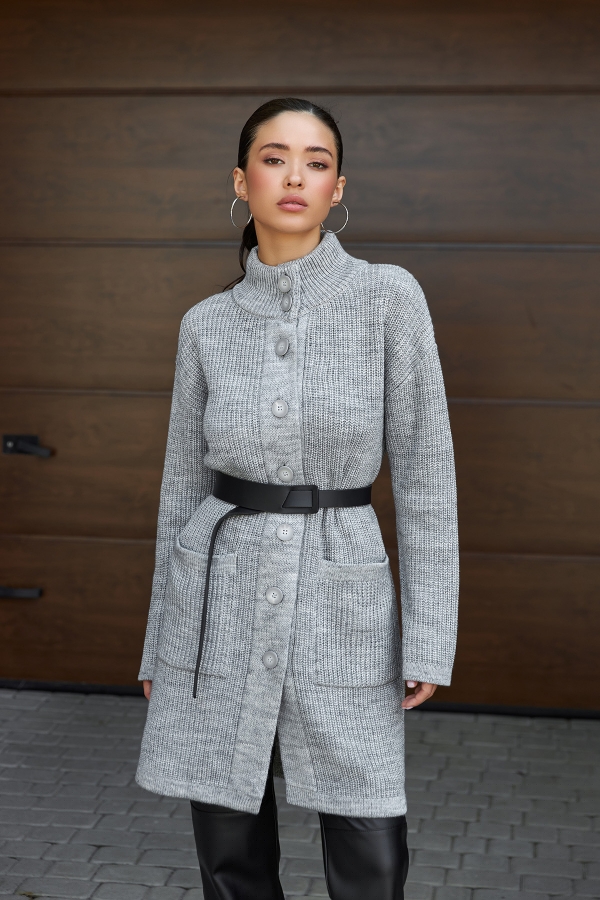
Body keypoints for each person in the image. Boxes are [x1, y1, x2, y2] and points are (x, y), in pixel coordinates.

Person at [135, 97, 459, 900]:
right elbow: (180, 490)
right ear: (240, 181)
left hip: (343, 598)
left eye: (316, 163)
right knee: (229, 854)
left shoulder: (388, 298)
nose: (294, 177)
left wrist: (429, 638)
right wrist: (158, 644)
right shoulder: (206, 324)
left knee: (369, 849)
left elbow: (426, 479)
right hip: (216, 598)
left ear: (337, 187)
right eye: (274, 158)